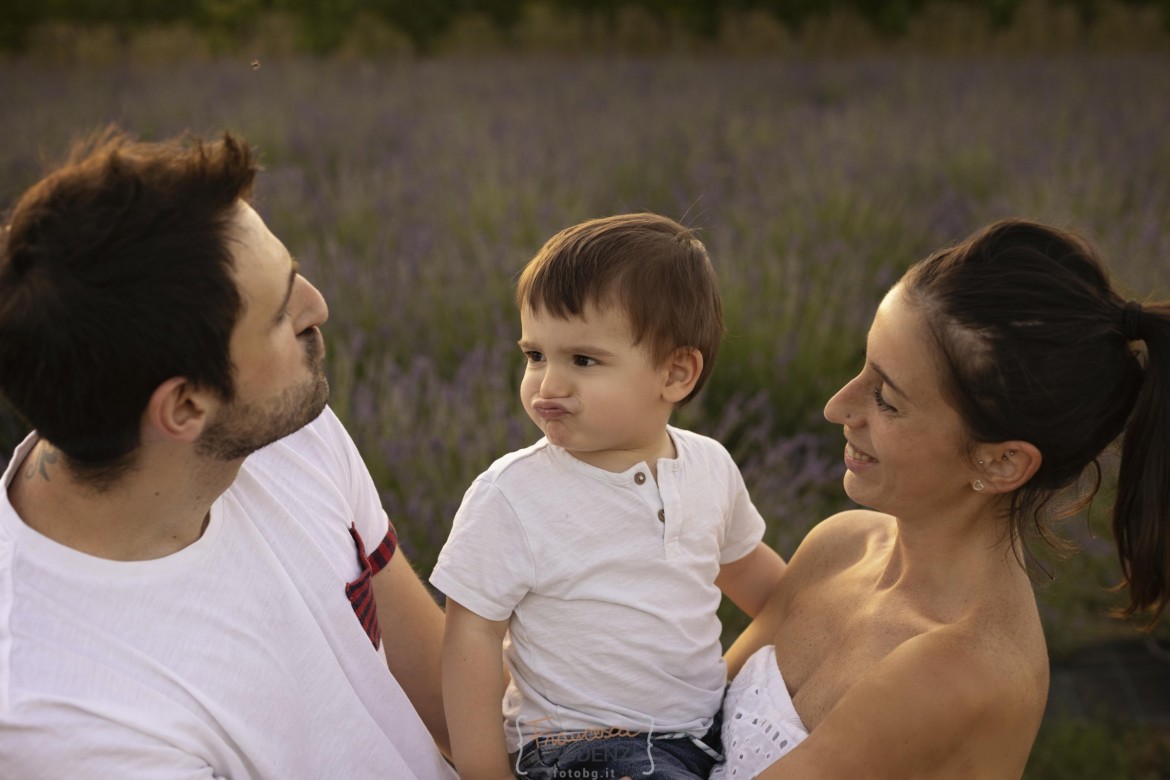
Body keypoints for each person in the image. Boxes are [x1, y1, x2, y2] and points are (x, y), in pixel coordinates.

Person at [0, 128, 455, 778]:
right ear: (184, 408)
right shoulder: (69, 723)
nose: (317, 307)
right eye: (279, 313)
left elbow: (446, 692)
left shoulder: (284, 435)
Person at [712, 219, 1170, 778]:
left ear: (1000, 462)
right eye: (862, 368)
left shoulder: (957, 669)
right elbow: (682, 726)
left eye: (886, 399)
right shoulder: (839, 546)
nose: (837, 407)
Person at [430, 213, 786, 780]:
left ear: (675, 374)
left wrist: (839, 617)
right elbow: (470, 634)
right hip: (581, 747)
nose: (547, 385)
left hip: (700, 733)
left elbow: (763, 585)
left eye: (583, 361)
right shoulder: (514, 494)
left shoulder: (709, 468)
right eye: (535, 355)